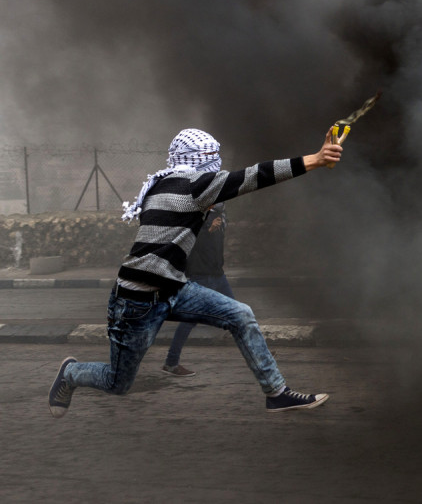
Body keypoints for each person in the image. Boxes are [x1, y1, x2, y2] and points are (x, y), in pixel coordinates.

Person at [48, 126, 343, 417]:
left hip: (174, 289)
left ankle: (276, 394)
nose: (216, 166)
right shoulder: (196, 185)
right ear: (198, 161)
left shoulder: (162, 183)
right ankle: (71, 373)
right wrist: (315, 160)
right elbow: (255, 175)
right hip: (136, 301)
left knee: (240, 315)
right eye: (211, 159)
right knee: (117, 382)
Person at [161, 202, 231, 378]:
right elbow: (189, 241)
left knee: (237, 313)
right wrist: (208, 231)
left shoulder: (220, 215)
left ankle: (263, 353)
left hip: (216, 274)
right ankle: (171, 362)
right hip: (201, 275)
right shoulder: (196, 215)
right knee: (189, 320)